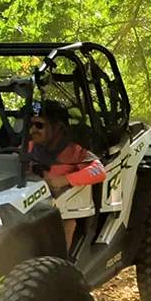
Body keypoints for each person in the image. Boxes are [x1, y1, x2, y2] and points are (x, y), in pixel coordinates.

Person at [27, 98, 106, 249]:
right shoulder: (28, 147)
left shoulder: (74, 151)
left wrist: (65, 180)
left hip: (62, 211)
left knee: (67, 223)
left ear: (58, 127)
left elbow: (99, 171)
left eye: (39, 125)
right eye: (30, 125)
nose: (33, 130)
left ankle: (59, 268)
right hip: (30, 208)